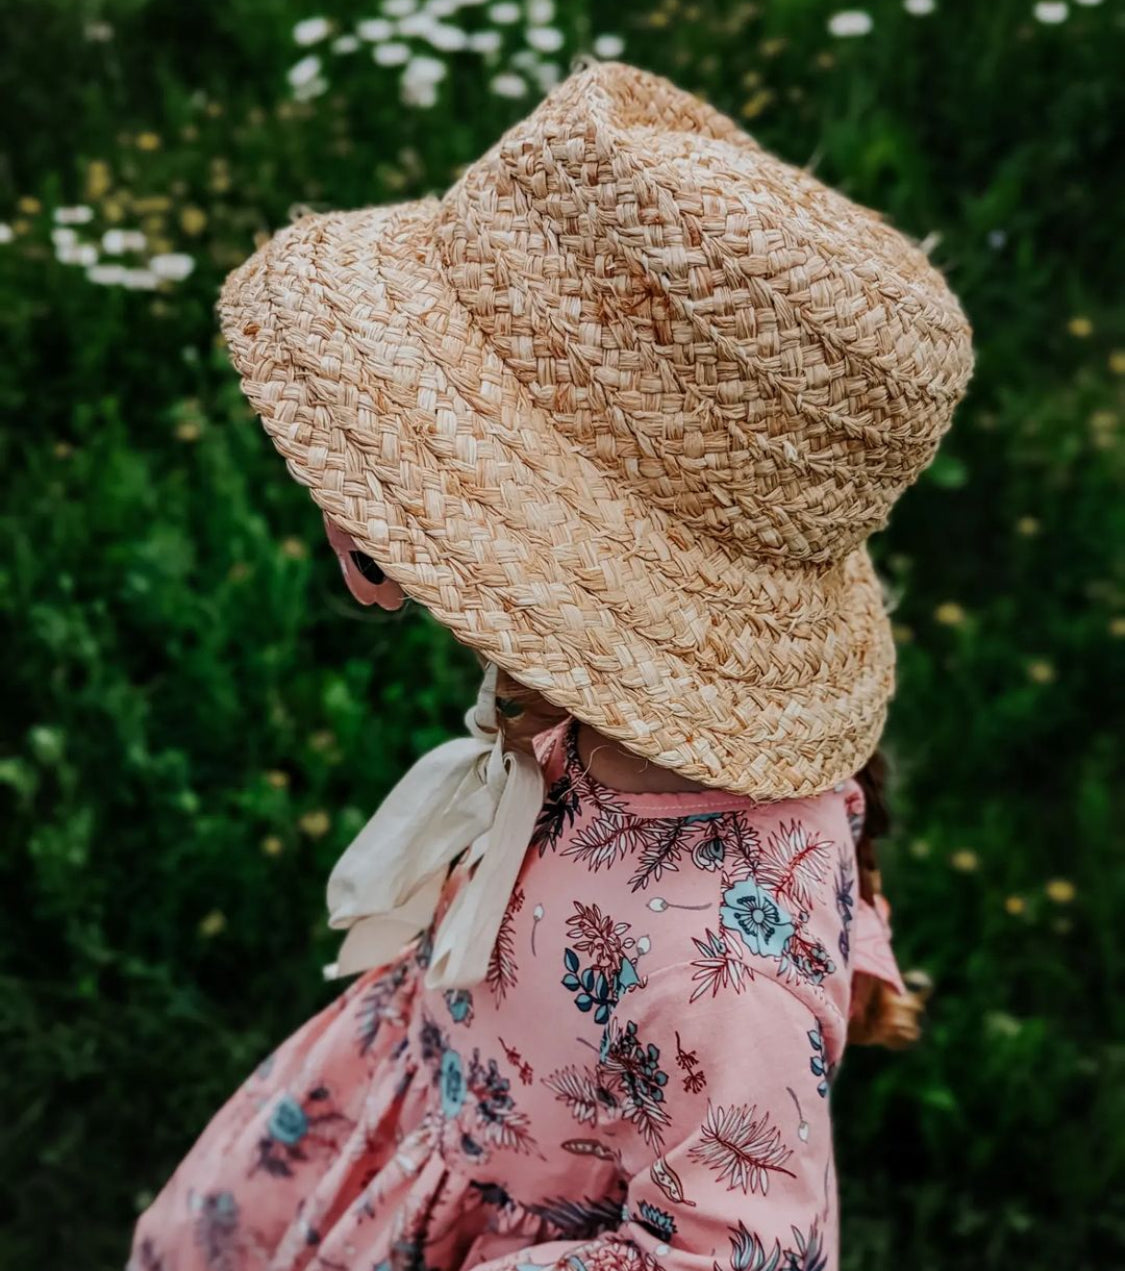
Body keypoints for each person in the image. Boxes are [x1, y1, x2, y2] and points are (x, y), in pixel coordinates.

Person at [130, 58, 972, 1271]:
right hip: (412, 1111)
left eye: (424, 469)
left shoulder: (723, 975)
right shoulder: (591, 721)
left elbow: (735, 1250)